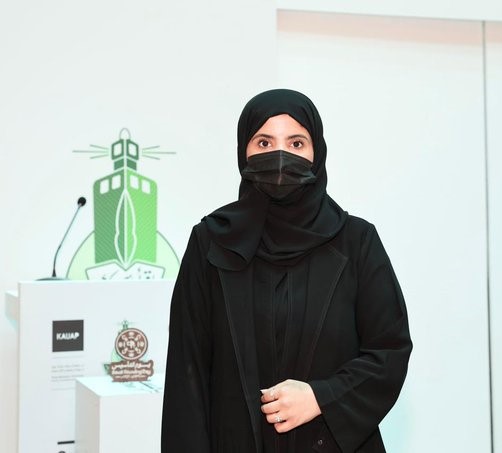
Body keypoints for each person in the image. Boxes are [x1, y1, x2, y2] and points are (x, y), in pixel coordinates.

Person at [161, 89, 412, 452]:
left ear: (317, 153)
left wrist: (322, 397)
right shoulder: (210, 242)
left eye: (296, 143)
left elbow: (389, 351)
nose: (280, 157)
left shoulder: (355, 241)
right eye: (264, 142)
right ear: (243, 152)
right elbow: (188, 374)